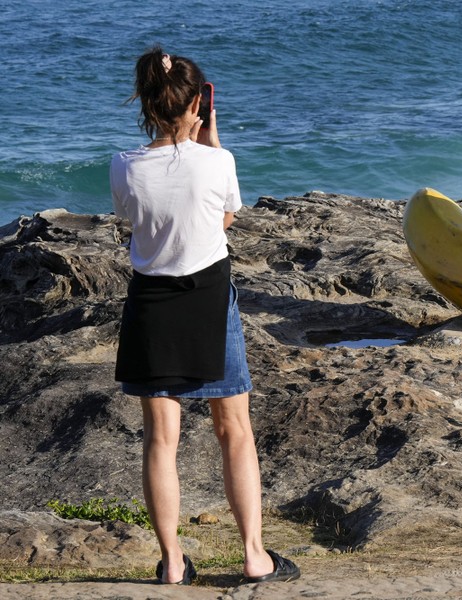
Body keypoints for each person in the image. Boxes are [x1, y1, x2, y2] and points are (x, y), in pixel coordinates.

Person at [110, 45, 299, 586]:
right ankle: (254, 556)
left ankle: (172, 563)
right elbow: (224, 218)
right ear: (198, 104)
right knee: (234, 430)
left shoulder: (124, 165)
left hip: (152, 304)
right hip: (210, 301)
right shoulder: (219, 161)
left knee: (160, 439)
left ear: (146, 103)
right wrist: (208, 144)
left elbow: (133, 221)